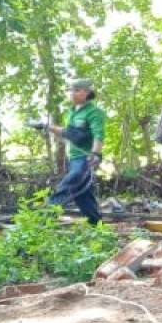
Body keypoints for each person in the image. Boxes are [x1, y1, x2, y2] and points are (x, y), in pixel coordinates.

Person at [45, 78, 106, 225]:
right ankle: (96, 225)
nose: (72, 93)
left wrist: (96, 154)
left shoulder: (94, 112)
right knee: (83, 195)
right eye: (71, 90)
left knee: (69, 184)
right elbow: (67, 133)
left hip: (85, 158)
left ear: (87, 93)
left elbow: (98, 134)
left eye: (76, 90)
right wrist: (45, 126)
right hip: (73, 157)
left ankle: (44, 216)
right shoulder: (71, 112)